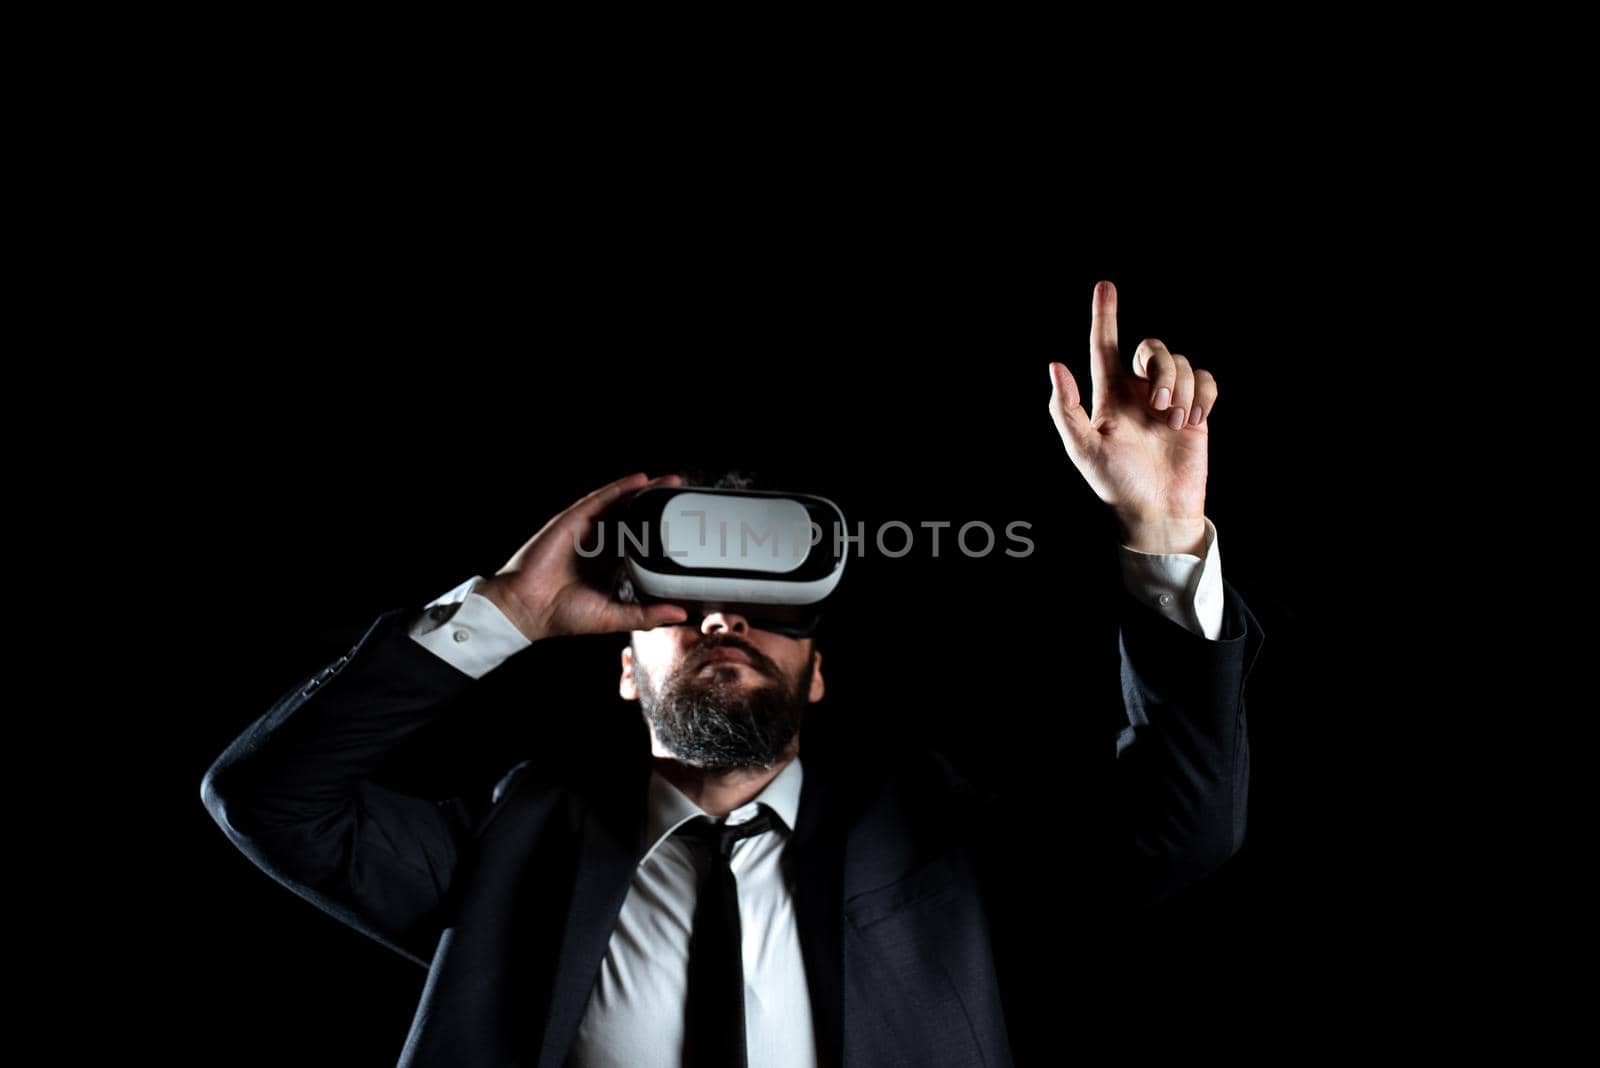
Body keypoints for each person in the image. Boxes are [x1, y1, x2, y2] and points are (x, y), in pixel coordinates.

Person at [200, 280, 1265, 1068]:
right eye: (682, 608)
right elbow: (267, 797)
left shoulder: (938, 840)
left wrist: (1161, 535)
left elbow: (1181, 832)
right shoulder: (508, 847)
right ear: (623, 671)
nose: (722, 617)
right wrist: (506, 612)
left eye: (768, 612)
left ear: (815, 678)